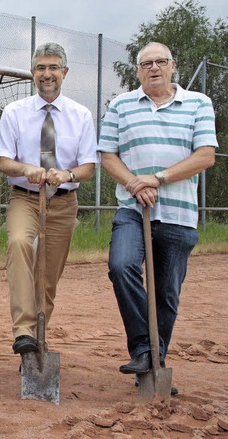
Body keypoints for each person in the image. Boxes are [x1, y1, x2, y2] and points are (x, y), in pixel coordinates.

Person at [98, 42, 217, 386]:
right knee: (121, 265)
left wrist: (158, 178)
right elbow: (108, 155)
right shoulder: (121, 105)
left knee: (166, 292)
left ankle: (154, 361)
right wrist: (136, 183)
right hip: (133, 209)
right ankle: (142, 349)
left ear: (172, 66)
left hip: (179, 213)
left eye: (160, 62)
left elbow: (205, 155)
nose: (153, 68)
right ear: (138, 71)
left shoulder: (198, 103)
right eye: (146, 63)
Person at [0, 42, 98, 357]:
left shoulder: (81, 115)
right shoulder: (15, 112)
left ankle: (38, 338)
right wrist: (26, 168)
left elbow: (89, 166)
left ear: (64, 72)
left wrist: (65, 175)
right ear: (32, 73)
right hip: (25, 198)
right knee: (19, 243)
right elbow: (2, 161)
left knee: (47, 279)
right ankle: (24, 331)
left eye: (53, 68)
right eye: (40, 68)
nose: (47, 73)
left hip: (63, 204)